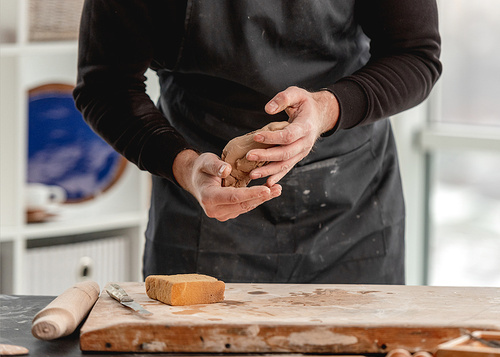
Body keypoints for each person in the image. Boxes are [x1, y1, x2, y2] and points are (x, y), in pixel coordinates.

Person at [74, 0, 442, 284]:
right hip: (204, 202)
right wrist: (185, 167)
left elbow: (415, 54)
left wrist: (326, 108)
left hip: (353, 203)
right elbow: (105, 86)